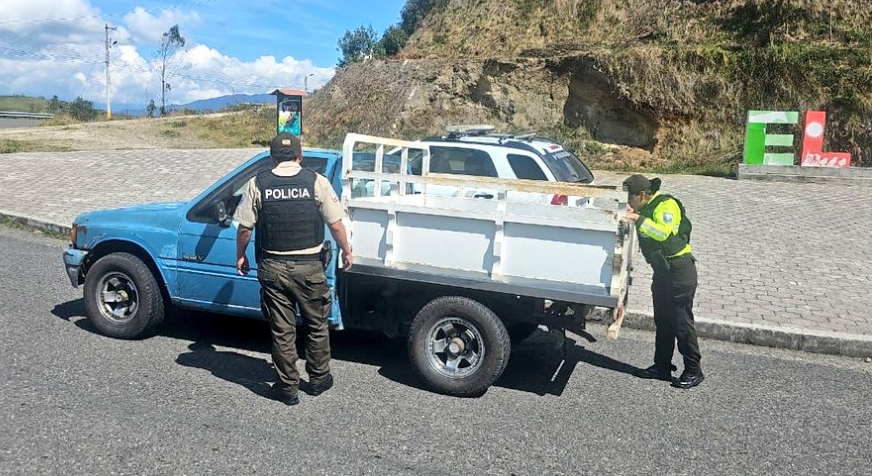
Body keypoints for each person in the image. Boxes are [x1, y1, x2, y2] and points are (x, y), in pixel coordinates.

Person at [235, 132, 353, 405]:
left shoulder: (258, 183)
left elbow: (244, 228)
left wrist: (241, 255)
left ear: (272, 157)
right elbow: (336, 224)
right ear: (300, 156)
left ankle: (287, 387)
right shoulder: (316, 181)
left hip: (273, 267)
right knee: (316, 324)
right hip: (310, 268)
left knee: (282, 330)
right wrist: (346, 251)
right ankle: (319, 379)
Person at [622, 174, 703, 389]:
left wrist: (638, 219)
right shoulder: (643, 207)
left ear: (641, 195)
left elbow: (663, 233)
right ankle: (662, 366)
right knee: (663, 321)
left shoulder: (666, 205)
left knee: (681, 323)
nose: (628, 202)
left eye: (629, 197)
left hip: (680, 270)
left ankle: (694, 370)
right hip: (662, 272)